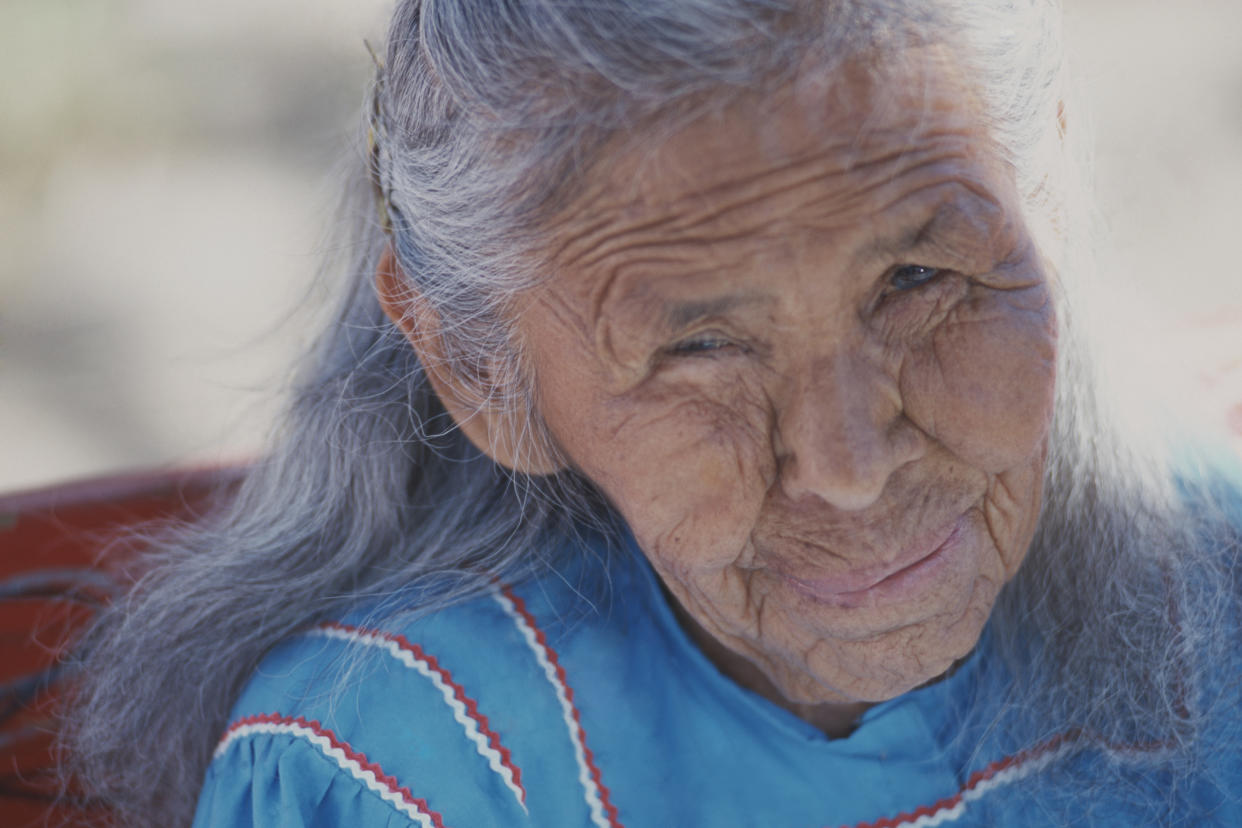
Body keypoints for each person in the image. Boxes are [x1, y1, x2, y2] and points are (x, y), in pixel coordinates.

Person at [65, 0, 1242, 825]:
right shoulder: (408, 772)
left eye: (917, 282)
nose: (849, 463)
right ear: (477, 369)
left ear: (1046, 192)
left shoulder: (1221, 585)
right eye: (701, 347)